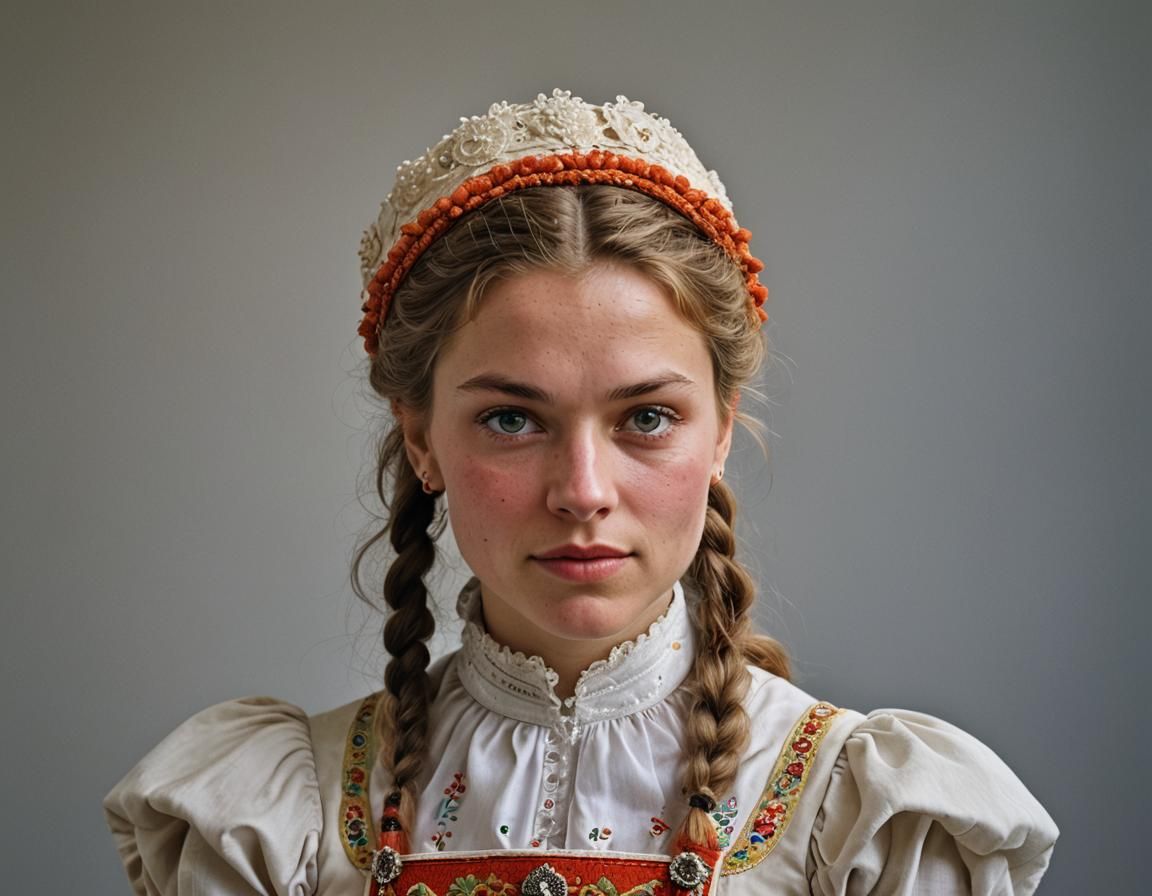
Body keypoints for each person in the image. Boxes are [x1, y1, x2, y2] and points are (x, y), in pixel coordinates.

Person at [104, 90, 1058, 895]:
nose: (582, 491)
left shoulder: (863, 819)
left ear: (721, 429)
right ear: (420, 438)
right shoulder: (284, 815)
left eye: (646, 417)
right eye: (512, 420)